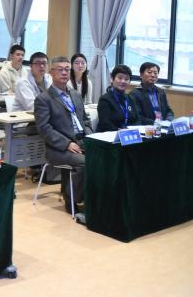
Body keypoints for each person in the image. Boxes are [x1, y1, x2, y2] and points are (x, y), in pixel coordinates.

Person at [34, 56, 92, 220]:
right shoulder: (44, 99)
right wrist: (67, 144)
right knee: (85, 162)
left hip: (82, 141)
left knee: (102, 157)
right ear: (51, 73)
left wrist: (89, 137)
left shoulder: (75, 94)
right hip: (58, 148)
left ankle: (92, 198)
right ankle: (72, 199)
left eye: (67, 69)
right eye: (60, 69)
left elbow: (85, 120)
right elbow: (44, 129)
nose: (64, 73)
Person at [96, 65, 141, 132]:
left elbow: (138, 120)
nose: (123, 81)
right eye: (120, 78)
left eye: (126, 79)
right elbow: (105, 123)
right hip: (110, 134)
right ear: (112, 79)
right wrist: (120, 131)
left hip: (129, 134)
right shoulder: (105, 99)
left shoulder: (131, 99)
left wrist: (132, 130)